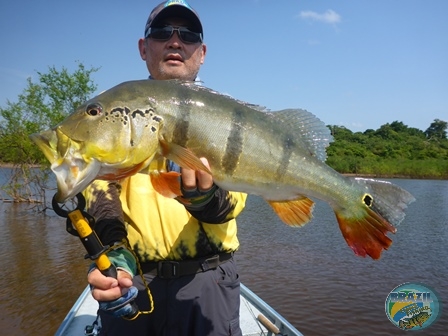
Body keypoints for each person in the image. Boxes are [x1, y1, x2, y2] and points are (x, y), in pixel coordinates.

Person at [85, 1, 247, 335]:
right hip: (136, 281)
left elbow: (232, 204)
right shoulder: (119, 110)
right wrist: (117, 259)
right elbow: (99, 195)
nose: (175, 41)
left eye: (187, 35)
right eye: (162, 32)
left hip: (209, 284)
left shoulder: (227, 116)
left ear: (201, 53)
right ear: (144, 48)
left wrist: (204, 199)